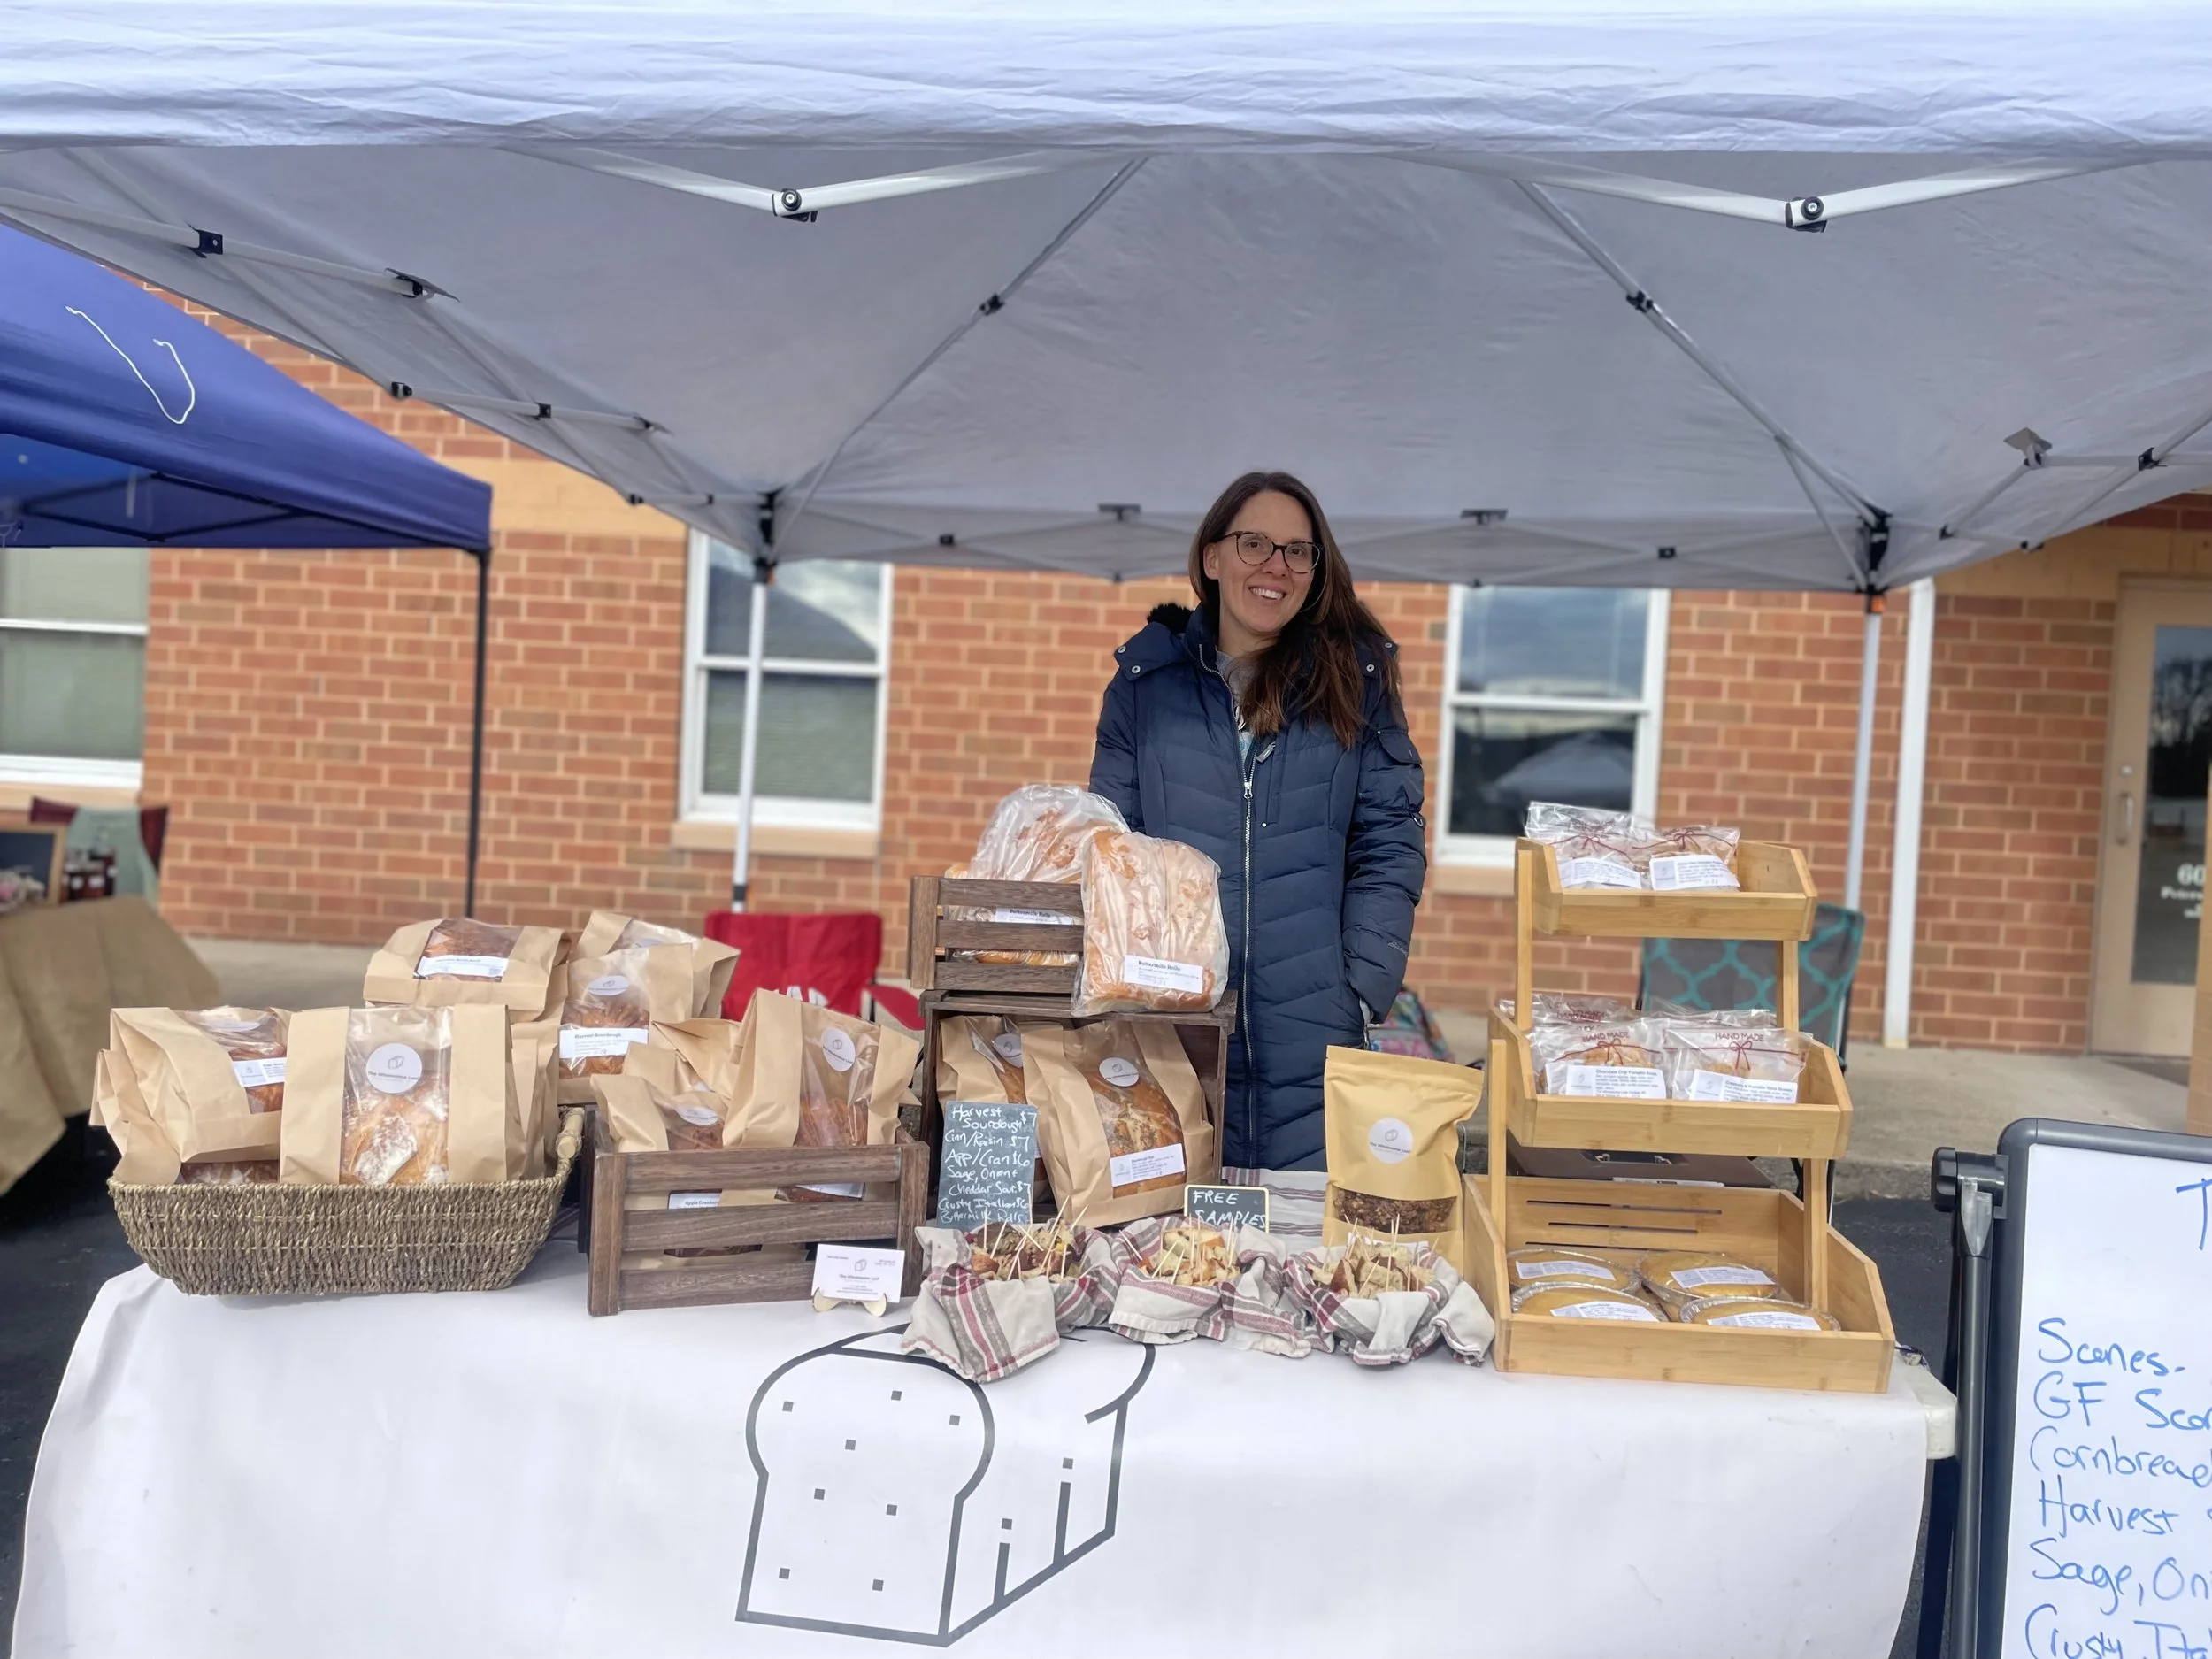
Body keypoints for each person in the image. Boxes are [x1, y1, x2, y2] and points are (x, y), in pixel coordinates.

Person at [1088, 471, 1426, 1170]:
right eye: (1255, 544)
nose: (1276, 565)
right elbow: (1114, 846)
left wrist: (1361, 986)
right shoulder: (1145, 688)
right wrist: (1135, 990)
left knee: (1304, 1257)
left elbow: (1390, 841)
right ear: (1212, 559)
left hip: (1316, 1035)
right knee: (1175, 1259)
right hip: (1174, 1031)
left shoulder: (1354, 687)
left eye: (1298, 552)